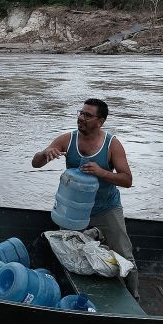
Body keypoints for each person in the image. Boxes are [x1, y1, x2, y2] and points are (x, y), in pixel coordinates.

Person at [32, 99, 140, 298]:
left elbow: (127, 180)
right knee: (66, 253)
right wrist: (45, 153)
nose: (81, 118)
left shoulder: (111, 145)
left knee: (125, 255)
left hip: (106, 207)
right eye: (80, 113)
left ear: (100, 121)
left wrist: (102, 172)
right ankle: (65, 294)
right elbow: (35, 163)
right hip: (73, 210)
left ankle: (133, 298)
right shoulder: (67, 139)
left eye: (87, 115)